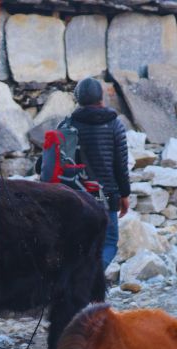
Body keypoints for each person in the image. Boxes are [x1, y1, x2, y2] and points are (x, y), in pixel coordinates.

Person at [66, 77, 131, 268]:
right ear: (101, 97)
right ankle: (92, 278)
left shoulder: (69, 124)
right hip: (106, 197)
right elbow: (121, 165)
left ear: (78, 99)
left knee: (80, 246)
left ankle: (83, 280)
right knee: (109, 243)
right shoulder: (114, 124)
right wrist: (124, 195)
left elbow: (49, 161)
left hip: (75, 198)